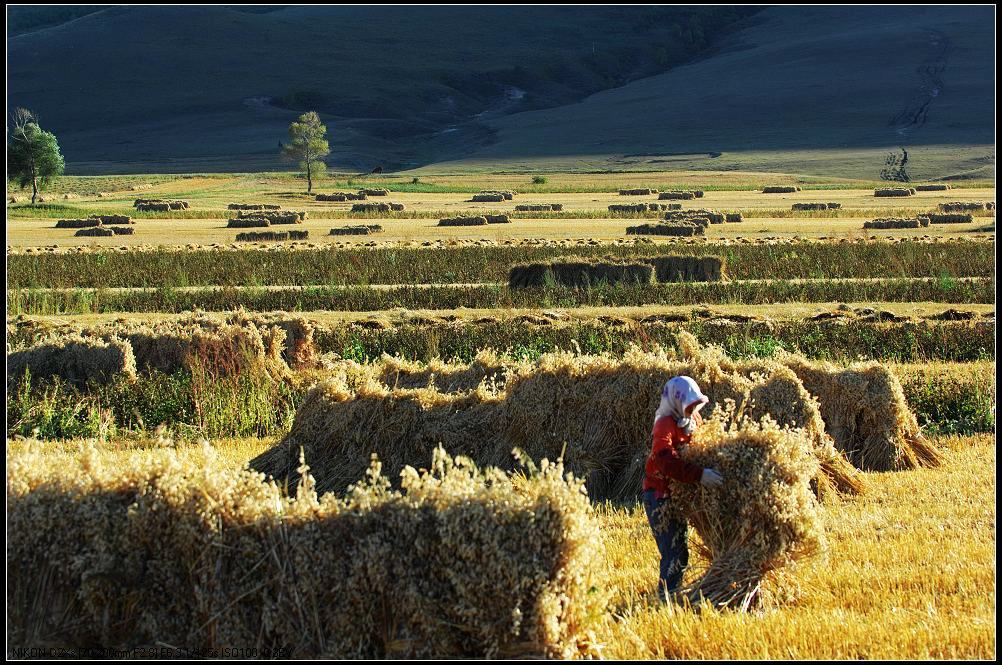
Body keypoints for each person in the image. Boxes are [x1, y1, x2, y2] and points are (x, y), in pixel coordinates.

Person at [641, 375, 724, 602]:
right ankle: (666, 599)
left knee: (681, 550)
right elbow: (664, 459)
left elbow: (704, 445)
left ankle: (673, 594)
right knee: (674, 551)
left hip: (679, 495)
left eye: (696, 404)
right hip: (659, 496)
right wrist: (700, 475)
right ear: (676, 402)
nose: (693, 409)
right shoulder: (664, 424)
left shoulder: (694, 420)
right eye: (689, 405)